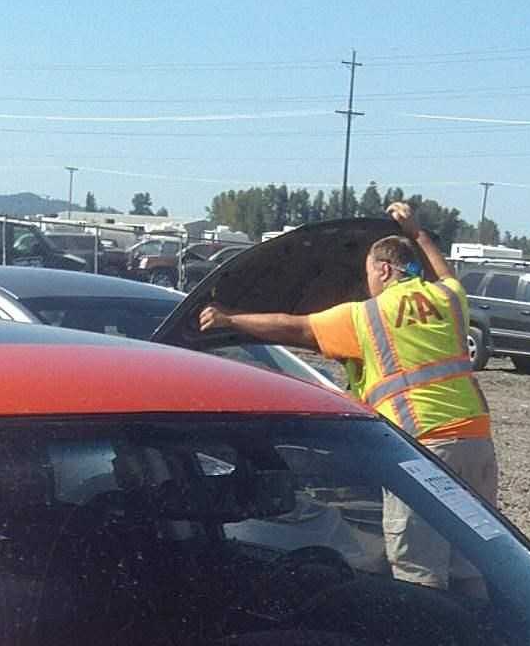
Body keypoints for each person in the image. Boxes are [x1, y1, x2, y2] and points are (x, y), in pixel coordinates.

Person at [200, 201, 494, 592]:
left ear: (384, 269)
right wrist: (417, 231)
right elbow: (445, 271)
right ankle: (487, 638)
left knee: (418, 567)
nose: (367, 281)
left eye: (369, 272)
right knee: (471, 559)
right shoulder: (448, 299)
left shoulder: (367, 316)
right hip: (476, 440)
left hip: (425, 446)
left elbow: (297, 328)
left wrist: (228, 319)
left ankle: (434, 643)